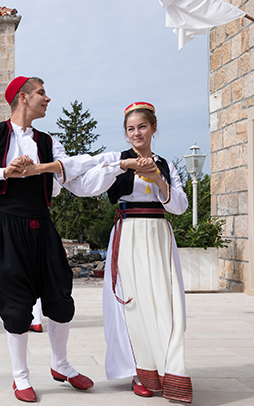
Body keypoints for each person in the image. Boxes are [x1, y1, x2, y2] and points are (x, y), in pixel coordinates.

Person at [0, 76, 102, 403]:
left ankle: (60, 364)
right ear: (23, 98)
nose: (47, 99)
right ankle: (20, 376)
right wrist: (3, 171)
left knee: (60, 294)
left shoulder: (48, 141)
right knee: (16, 300)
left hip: (43, 224)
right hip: (7, 225)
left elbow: (75, 178)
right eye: (41, 93)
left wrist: (114, 167)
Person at [77, 102, 191, 402]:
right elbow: (89, 184)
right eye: (131, 129)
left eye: (142, 126)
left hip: (158, 235)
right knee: (131, 302)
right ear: (126, 134)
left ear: (153, 128)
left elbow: (179, 206)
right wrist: (124, 166)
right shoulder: (118, 159)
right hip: (128, 232)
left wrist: (156, 178)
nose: (136, 133)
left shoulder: (166, 165)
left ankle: (169, 369)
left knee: (167, 302)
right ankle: (138, 371)